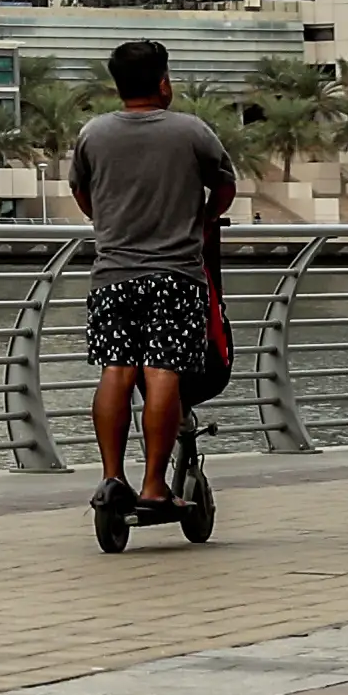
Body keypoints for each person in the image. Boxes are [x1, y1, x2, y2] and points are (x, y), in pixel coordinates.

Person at [69, 40, 235, 511]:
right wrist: (201, 218)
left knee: (116, 371)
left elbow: (83, 193)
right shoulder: (191, 131)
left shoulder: (93, 134)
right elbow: (224, 186)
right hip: (176, 275)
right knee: (163, 373)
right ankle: (154, 487)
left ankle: (110, 478)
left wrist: (109, 223)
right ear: (163, 82)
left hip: (112, 274)